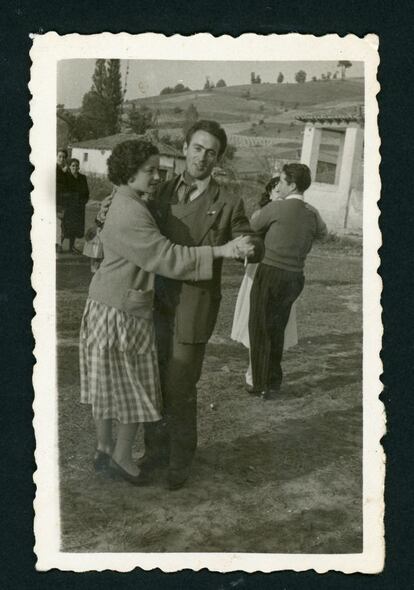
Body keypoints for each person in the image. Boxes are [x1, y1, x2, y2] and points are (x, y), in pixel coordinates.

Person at [79, 139, 252, 485]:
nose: (157, 177)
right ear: (129, 172)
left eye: (159, 170)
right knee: (134, 387)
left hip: (106, 303)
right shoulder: (131, 210)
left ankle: (104, 447)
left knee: (108, 383)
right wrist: (221, 251)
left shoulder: (122, 199)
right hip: (123, 310)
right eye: (150, 171)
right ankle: (123, 459)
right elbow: (167, 256)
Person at [142, 119, 263, 490]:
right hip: (154, 303)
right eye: (197, 148)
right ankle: (154, 453)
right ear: (184, 148)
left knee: (180, 385)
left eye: (211, 152)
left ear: (218, 159)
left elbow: (249, 237)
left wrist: (250, 246)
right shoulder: (160, 191)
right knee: (153, 381)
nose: (203, 157)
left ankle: (180, 461)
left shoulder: (227, 202)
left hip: (194, 308)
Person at [248, 163, 327, 400]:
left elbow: (253, 224)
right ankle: (273, 381)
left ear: (292, 185)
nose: (279, 184)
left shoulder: (276, 207)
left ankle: (260, 383)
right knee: (277, 328)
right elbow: (322, 233)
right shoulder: (312, 212)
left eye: (282, 181)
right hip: (295, 277)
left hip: (270, 272)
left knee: (259, 327)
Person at [231, 176, 298, 389]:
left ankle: (268, 373)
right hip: (257, 272)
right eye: (275, 191)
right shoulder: (262, 216)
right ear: (269, 193)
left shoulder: (287, 216)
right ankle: (255, 371)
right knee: (256, 323)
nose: (279, 195)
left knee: (276, 326)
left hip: (280, 274)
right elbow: (249, 239)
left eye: (282, 191)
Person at [62, 158, 89, 254]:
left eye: (77, 165)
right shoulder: (66, 177)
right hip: (69, 206)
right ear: (69, 167)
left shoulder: (83, 178)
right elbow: (64, 192)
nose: (75, 167)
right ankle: (59, 246)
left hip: (79, 207)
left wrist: (83, 202)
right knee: (66, 227)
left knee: (75, 228)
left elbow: (86, 193)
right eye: (73, 165)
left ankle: (71, 248)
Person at [55, 148, 69, 254]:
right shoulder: (54, 168)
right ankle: (57, 244)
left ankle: (57, 244)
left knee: (59, 222)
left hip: (60, 201)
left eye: (63, 157)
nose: (61, 159)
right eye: (59, 156)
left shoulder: (63, 170)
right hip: (53, 199)